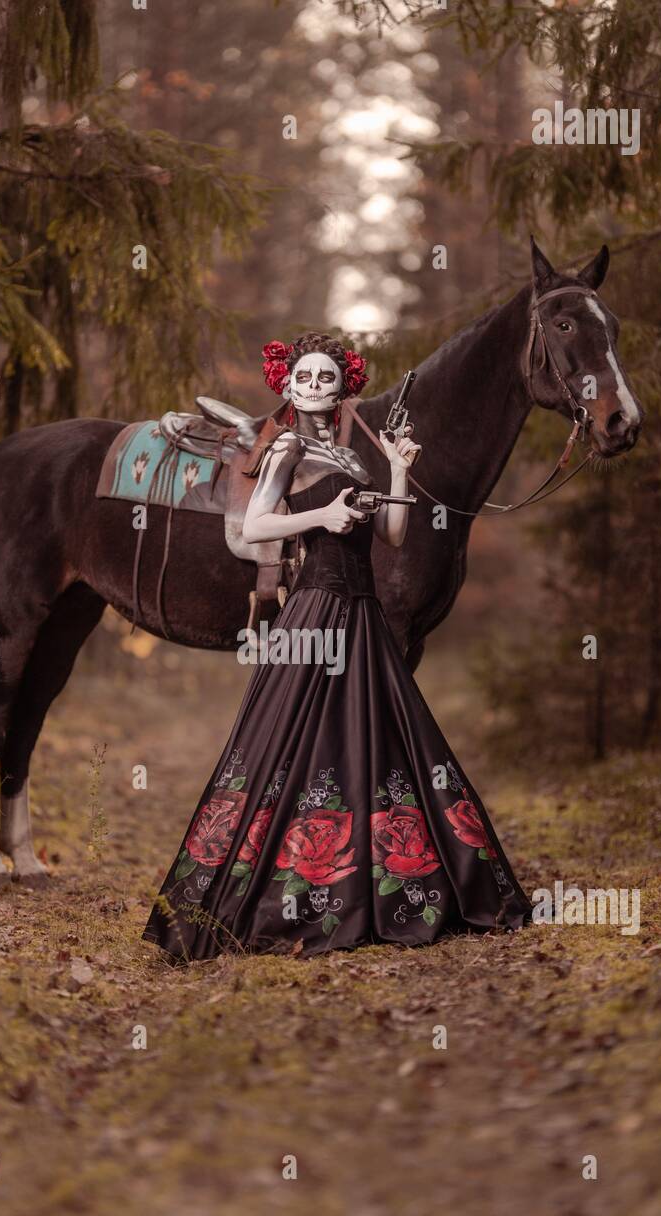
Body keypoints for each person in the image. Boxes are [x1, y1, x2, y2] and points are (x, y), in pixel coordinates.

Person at [143, 332, 531, 960]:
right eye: (306, 377)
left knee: (373, 738)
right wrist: (319, 519)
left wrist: (401, 471)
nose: (317, 385)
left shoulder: (353, 460)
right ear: (288, 386)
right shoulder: (287, 448)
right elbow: (251, 532)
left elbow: (396, 538)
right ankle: (277, 894)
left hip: (363, 612)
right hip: (313, 611)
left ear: (343, 386)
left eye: (328, 377)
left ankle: (371, 889)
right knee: (285, 746)